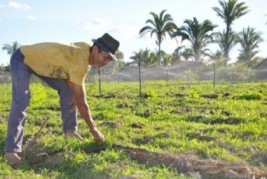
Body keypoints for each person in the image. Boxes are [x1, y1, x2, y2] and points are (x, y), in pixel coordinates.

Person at [4, 33, 120, 166]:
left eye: (108, 60)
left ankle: (70, 132)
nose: (105, 62)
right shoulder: (80, 60)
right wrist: (94, 130)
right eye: (105, 57)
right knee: (21, 99)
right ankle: (11, 152)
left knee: (68, 90)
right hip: (22, 58)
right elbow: (81, 102)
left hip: (44, 65)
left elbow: (74, 85)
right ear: (95, 49)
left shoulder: (85, 51)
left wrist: (76, 95)